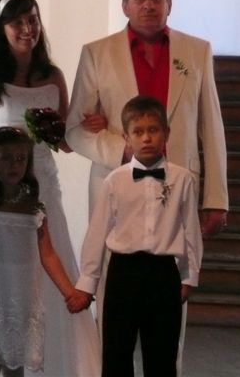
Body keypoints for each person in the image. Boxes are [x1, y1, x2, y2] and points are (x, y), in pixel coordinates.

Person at [65, 0, 229, 373]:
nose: (149, 5)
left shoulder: (196, 51)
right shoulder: (97, 53)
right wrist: (121, 149)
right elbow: (75, 130)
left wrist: (216, 197)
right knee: (114, 308)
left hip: (177, 185)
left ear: (169, 4)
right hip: (116, 185)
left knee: (169, 322)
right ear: (125, 5)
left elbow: (211, 127)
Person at [0, 0, 100, 376]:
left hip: (41, 180)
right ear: (1, 29)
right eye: (17, 22)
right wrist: (6, 143)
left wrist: (88, 125)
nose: (27, 28)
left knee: (40, 261)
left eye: (32, 20)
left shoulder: (53, 75)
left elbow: (63, 141)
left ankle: (41, 360)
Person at [73, 95, 203, 377]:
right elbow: (97, 233)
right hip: (123, 273)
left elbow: (191, 230)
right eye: (138, 132)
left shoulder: (182, 179)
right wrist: (87, 281)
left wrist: (189, 275)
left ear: (166, 133)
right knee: (116, 352)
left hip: (163, 273)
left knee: (162, 355)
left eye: (153, 130)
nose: (146, 138)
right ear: (126, 138)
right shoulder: (115, 180)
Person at [0, 127, 86, 376]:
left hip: (22, 297)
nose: (14, 165)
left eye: (21, 159)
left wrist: (69, 291)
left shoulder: (34, 207)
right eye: (6, 158)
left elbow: (47, 254)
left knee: (15, 363)